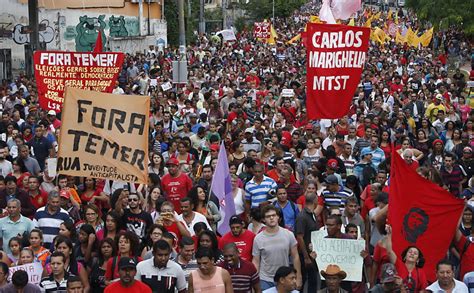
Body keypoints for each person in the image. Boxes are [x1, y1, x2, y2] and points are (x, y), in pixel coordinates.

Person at [252, 205, 302, 290]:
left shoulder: (288, 234)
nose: (271, 218)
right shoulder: (258, 238)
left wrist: (298, 277)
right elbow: (256, 261)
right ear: (264, 220)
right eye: (268, 216)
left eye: (274, 215)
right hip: (265, 279)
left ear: (278, 217)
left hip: (285, 278)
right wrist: (255, 281)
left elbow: (295, 256)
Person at [295, 192, 321, 292]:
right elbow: (299, 237)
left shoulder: (312, 214)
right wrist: (306, 257)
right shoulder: (302, 217)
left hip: (312, 253)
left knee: (313, 281)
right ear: (315, 200)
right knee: (304, 280)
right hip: (305, 255)